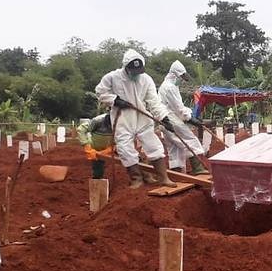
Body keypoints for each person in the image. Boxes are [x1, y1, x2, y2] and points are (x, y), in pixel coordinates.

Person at [95, 49, 177, 189]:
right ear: (126, 67)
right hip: (123, 118)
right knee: (125, 147)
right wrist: (114, 100)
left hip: (142, 117)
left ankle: (163, 177)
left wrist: (164, 118)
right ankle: (136, 179)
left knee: (153, 145)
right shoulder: (112, 77)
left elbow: (153, 101)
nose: (136, 73)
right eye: (133, 70)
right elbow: (100, 91)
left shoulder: (146, 79)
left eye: (139, 70)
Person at [158, 60, 210, 175]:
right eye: (181, 77)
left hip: (164, 119)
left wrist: (190, 114)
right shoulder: (170, 87)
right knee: (191, 141)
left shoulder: (167, 86)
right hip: (170, 119)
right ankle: (198, 169)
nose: (181, 80)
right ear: (174, 75)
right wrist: (189, 118)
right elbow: (178, 108)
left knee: (175, 147)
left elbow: (177, 106)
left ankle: (177, 172)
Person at [77, 114, 115, 179]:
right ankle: (97, 179)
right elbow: (81, 130)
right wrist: (87, 146)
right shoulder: (97, 121)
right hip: (96, 148)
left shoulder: (123, 123)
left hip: (111, 147)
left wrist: (111, 148)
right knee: (98, 169)